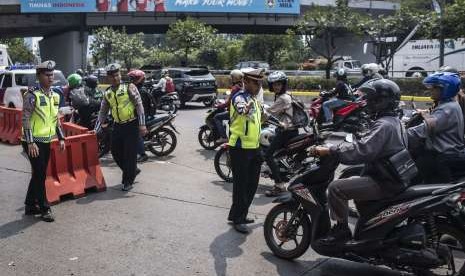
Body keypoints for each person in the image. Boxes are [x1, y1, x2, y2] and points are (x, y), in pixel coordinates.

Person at [310, 79, 407, 244]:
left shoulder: (384, 125)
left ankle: (341, 231)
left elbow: (362, 150)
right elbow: (369, 143)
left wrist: (330, 150)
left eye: (371, 98)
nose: (367, 102)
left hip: (383, 181)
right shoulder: (394, 121)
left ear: (381, 101)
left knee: (336, 188)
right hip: (392, 177)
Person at [21, 60, 65, 222]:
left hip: (46, 141)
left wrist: (60, 137)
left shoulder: (55, 95)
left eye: (52, 74)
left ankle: (30, 205)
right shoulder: (32, 95)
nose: (50, 77)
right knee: (40, 174)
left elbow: (56, 119)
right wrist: (31, 142)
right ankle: (44, 208)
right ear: (39, 76)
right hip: (31, 141)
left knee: (39, 174)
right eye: (47, 75)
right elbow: (25, 118)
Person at [95, 64, 148, 191]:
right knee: (115, 152)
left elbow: (139, 106)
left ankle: (127, 181)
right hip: (118, 126)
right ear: (108, 78)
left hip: (132, 125)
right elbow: (102, 112)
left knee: (130, 155)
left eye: (117, 75)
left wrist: (142, 124)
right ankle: (132, 170)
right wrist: (96, 129)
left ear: (120, 75)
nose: (115, 78)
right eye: (112, 76)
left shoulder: (129, 87)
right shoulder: (107, 93)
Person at [408, 72, 465, 184]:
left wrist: (401, 134)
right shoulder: (448, 105)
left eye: (434, 88)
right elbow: (436, 121)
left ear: (445, 89)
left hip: (442, 156)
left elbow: (425, 128)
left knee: (415, 175)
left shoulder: (447, 109)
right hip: (446, 154)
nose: (431, 90)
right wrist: (425, 114)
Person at [227, 68, 265, 234]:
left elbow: (263, 116)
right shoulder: (239, 98)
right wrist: (250, 105)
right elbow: (243, 110)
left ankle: (239, 214)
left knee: (252, 184)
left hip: (254, 147)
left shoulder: (254, 99)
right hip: (240, 147)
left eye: (259, 83)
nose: (258, 86)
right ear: (246, 82)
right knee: (241, 185)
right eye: (255, 83)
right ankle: (238, 218)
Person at [263, 71, 298, 197]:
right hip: (291, 130)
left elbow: (268, 113)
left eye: (279, 84)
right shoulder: (286, 95)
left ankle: (279, 185)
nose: (276, 86)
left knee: (268, 155)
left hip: (286, 131)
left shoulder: (282, 98)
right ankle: (276, 170)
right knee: (271, 139)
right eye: (274, 84)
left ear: (283, 84)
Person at [128, 69, 153, 163]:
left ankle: (143, 154)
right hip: (138, 115)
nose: (131, 80)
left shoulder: (140, 91)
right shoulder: (136, 89)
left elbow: (139, 108)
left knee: (135, 133)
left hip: (142, 116)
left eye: (133, 78)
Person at [213, 69, 243, 144]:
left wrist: (218, 106)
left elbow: (228, 103)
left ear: (235, 78)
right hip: (239, 111)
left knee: (216, 117)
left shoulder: (235, 88)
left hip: (233, 112)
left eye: (232, 77)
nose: (231, 78)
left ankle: (223, 137)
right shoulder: (242, 86)